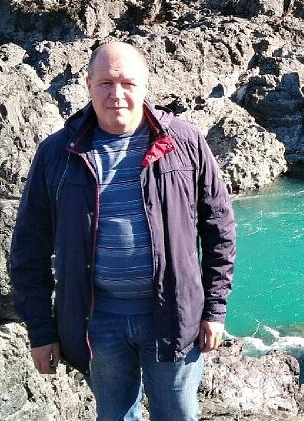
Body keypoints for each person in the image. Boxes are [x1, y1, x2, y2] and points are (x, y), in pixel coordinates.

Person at [10, 41, 236, 421]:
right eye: (105, 83)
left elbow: (219, 228)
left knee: (178, 415)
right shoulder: (56, 154)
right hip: (97, 322)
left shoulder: (185, 142)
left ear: (145, 86)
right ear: (88, 85)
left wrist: (215, 308)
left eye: (128, 83)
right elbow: (29, 248)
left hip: (172, 316)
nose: (117, 94)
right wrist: (41, 331)